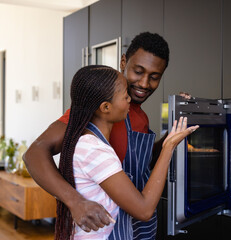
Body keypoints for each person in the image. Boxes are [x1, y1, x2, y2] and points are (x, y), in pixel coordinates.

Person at [23, 32, 187, 239]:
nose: (145, 83)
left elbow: (142, 165)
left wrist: (170, 137)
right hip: (108, 226)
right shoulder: (95, 114)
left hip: (137, 225)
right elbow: (34, 154)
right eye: (138, 71)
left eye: (154, 77)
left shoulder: (140, 116)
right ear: (123, 61)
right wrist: (74, 201)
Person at [55, 65, 198, 240]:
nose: (130, 99)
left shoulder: (89, 141)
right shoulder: (94, 150)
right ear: (106, 107)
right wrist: (169, 147)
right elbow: (144, 210)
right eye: (125, 96)